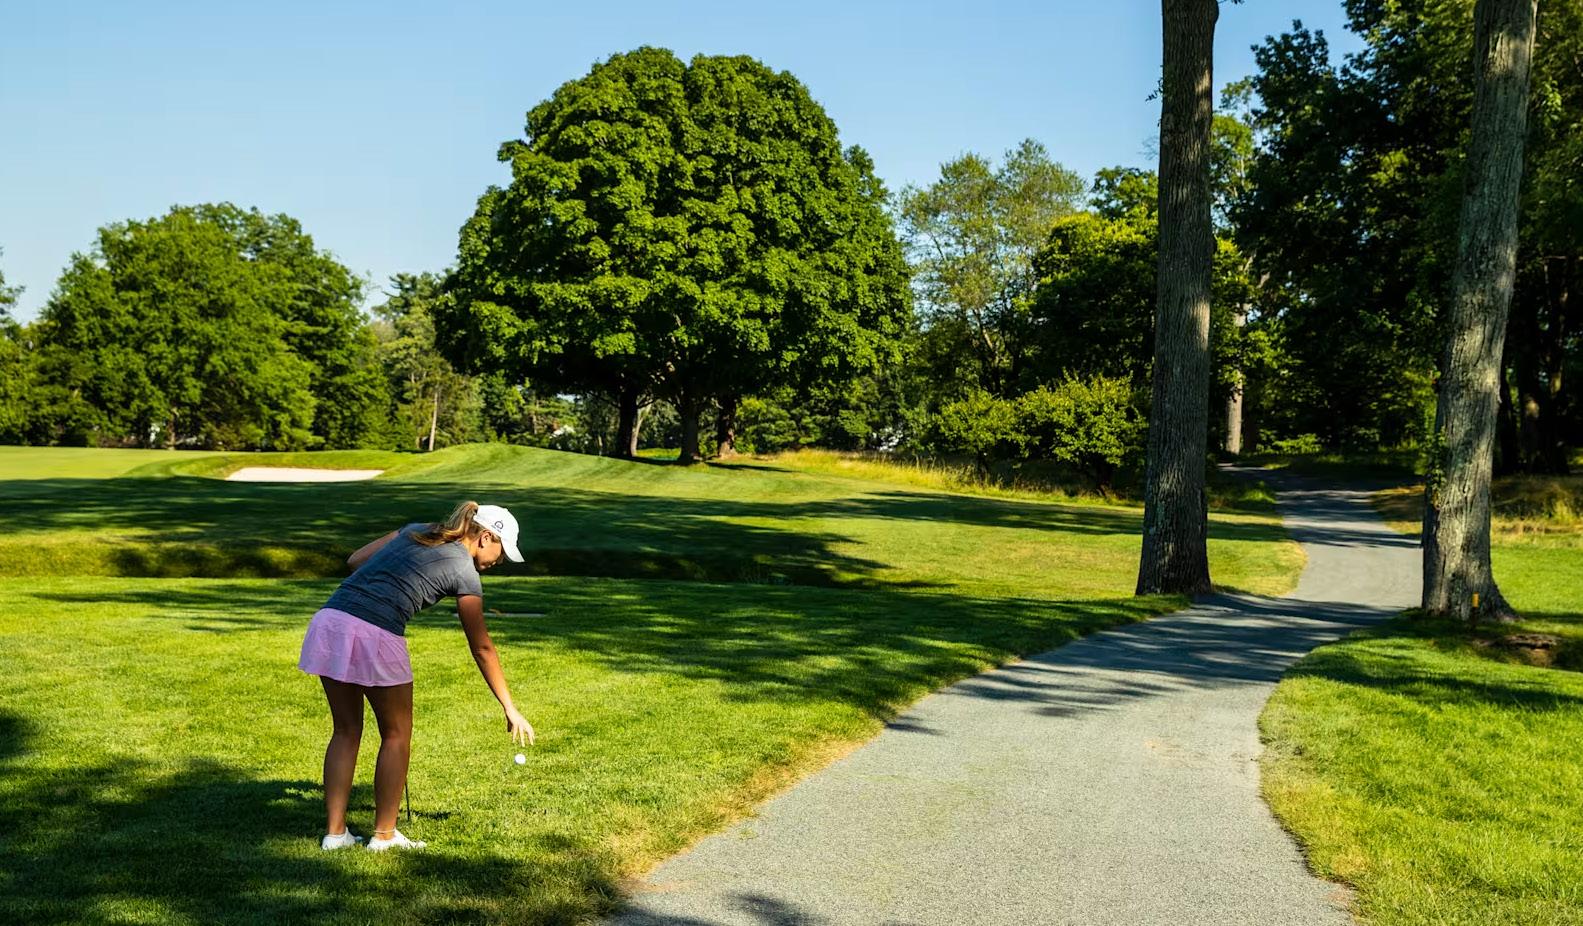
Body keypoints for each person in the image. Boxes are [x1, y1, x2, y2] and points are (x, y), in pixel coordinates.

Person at [297, 500, 534, 851]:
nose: (500, 562)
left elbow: (355, 560)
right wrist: (509, 707)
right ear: (486, 537)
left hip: (331, 620)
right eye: (502, 552)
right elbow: (482, 647)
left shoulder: (417, 531)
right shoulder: (465, 572)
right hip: (376, 632)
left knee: (346, 730)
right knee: (396, 735)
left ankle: (335, 835)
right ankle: (384, 836)